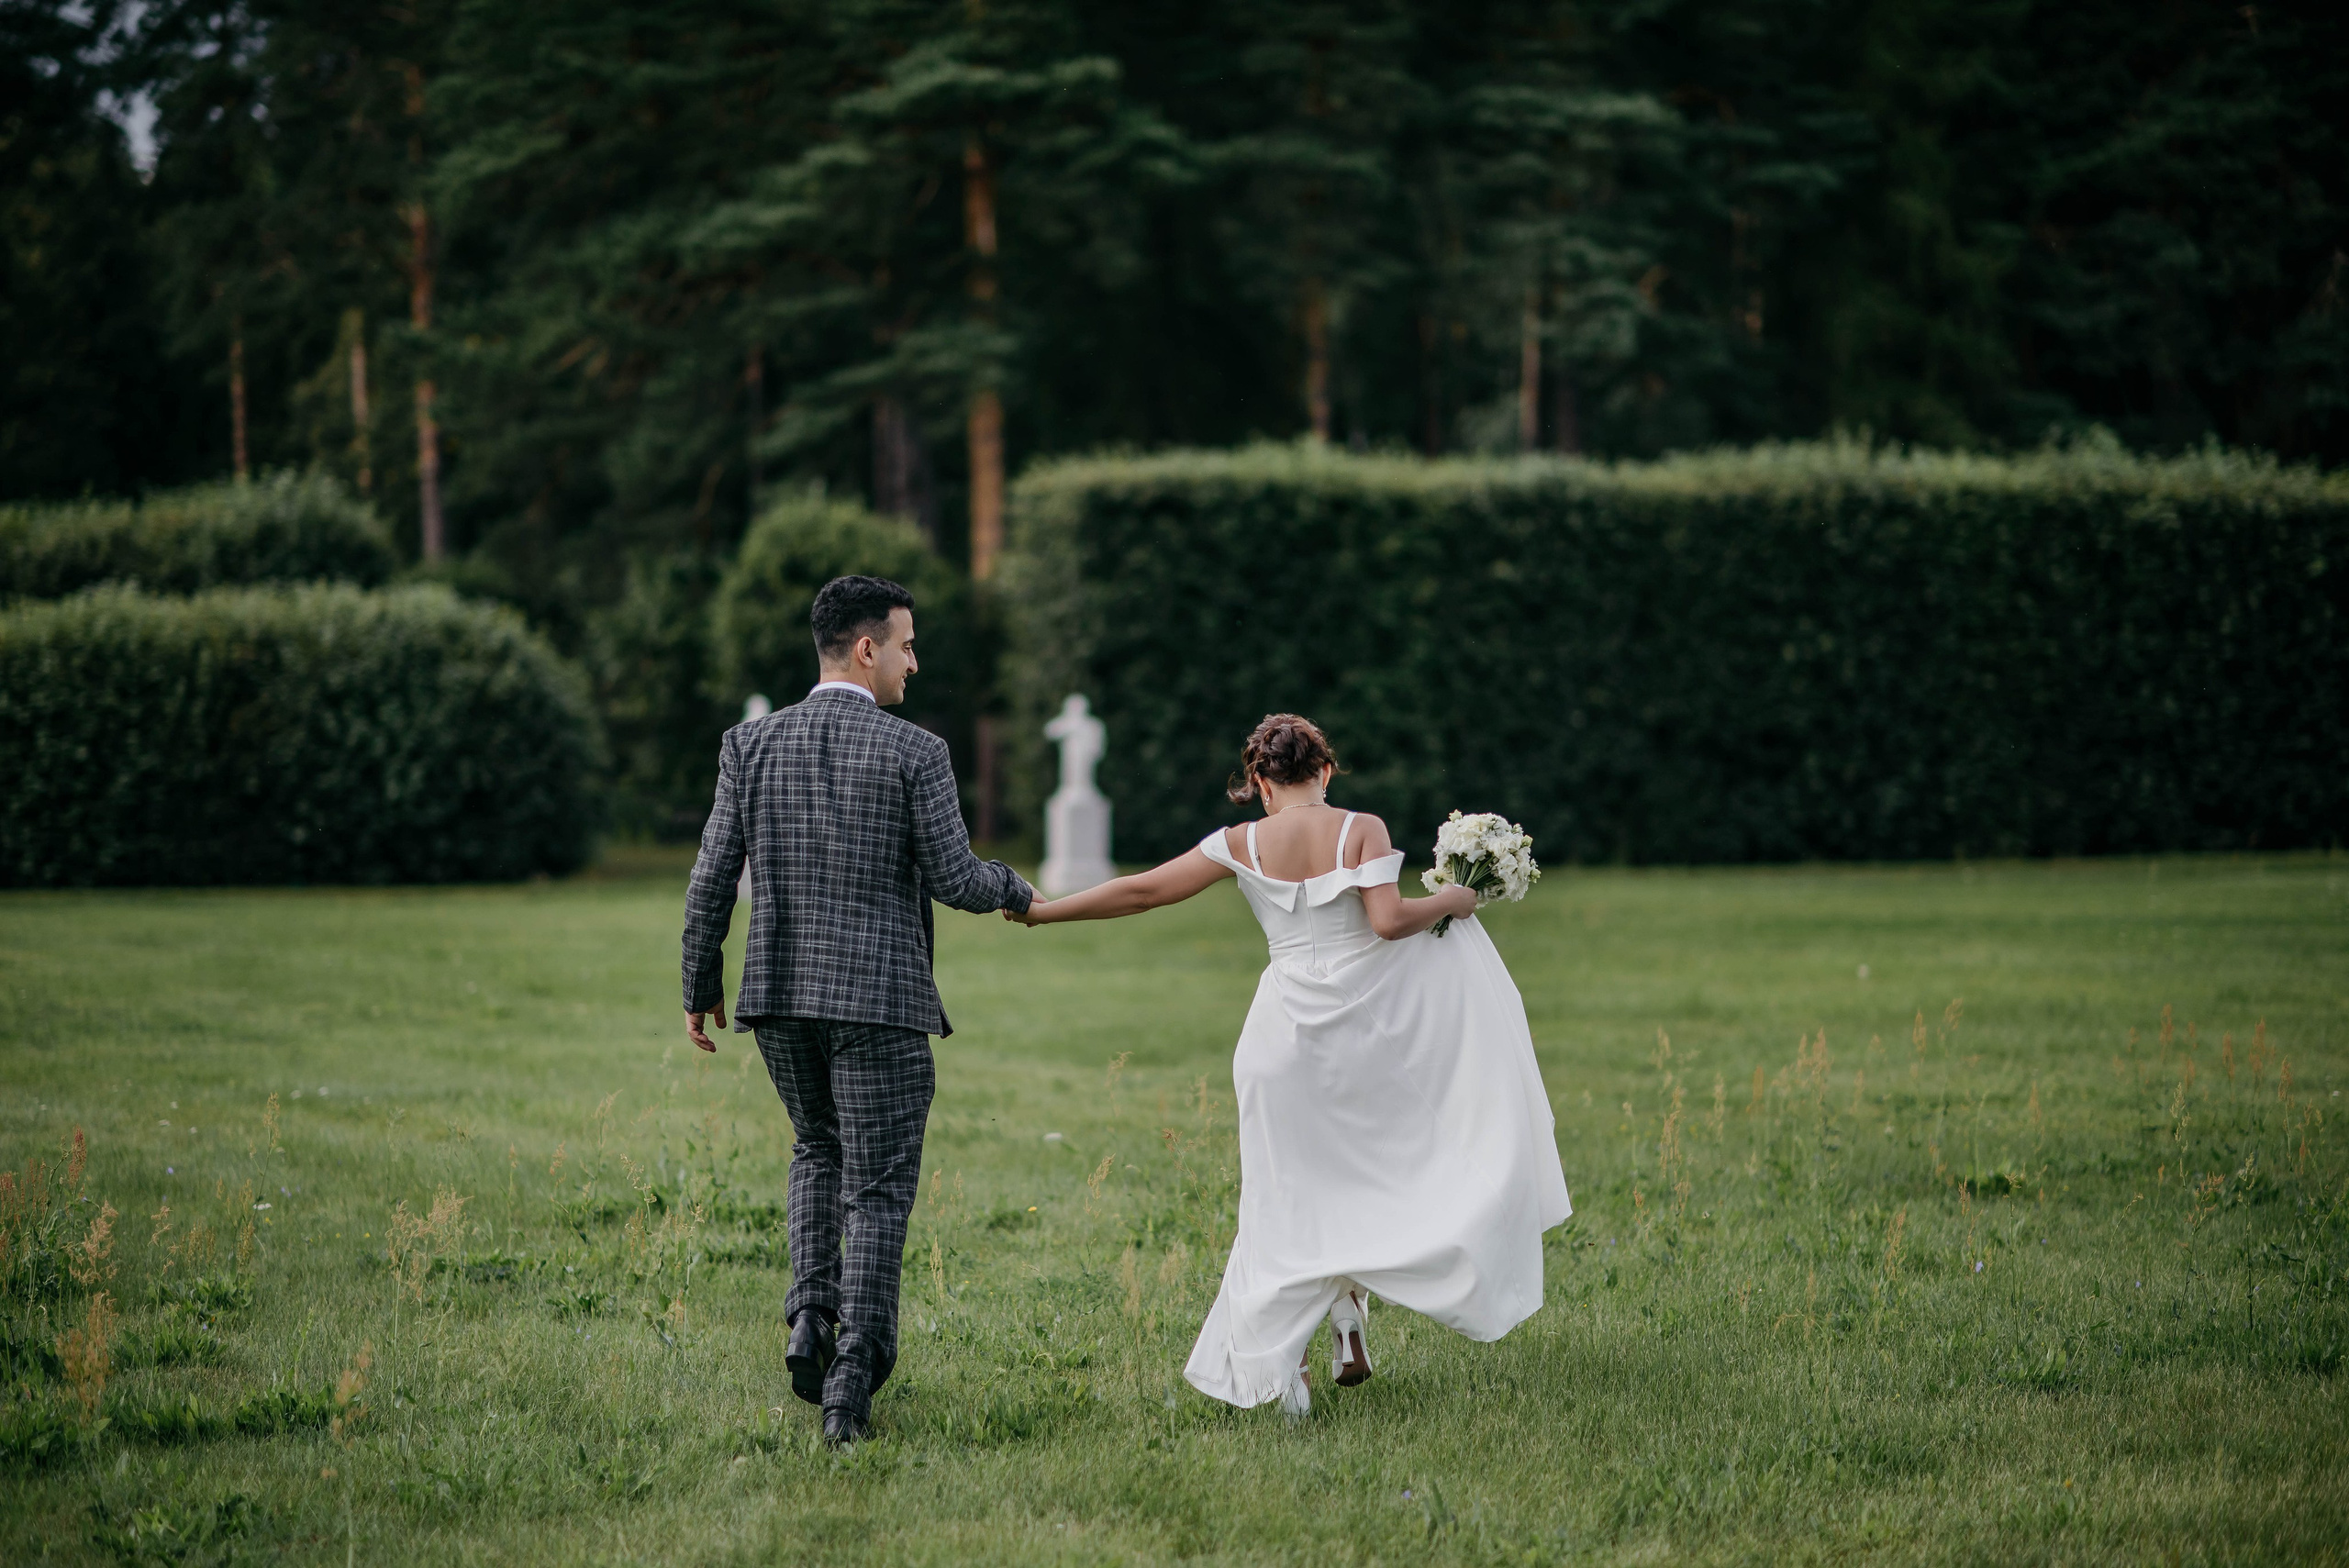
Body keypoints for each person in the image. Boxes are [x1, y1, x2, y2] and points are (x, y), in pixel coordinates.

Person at [1012, 713, 1572, 1416]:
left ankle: (1291, 1371)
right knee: (1362, 1179)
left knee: (1285, 1198)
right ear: (1326, 770)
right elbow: (1390, 922)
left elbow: (1145, 889)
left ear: (1260, 781)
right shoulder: (1359, 827)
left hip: (1279, 1041)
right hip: (1360, 1041)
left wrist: (1047, 911)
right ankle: (1348, 1317)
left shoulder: (1238, 841)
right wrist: (1457, 900)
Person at [681, 574, 1034, 1447]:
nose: (916, 662)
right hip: (880, 1001)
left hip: (781, 997)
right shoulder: (917, 752)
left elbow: (709, 880)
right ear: (867, 648)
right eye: (908, 645)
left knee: (815, 1149)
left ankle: (810, 1318)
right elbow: (956, 878)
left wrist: (700, 985)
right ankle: (852, 1379)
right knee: (876, 1190)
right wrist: (1015, 889)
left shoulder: (748, 744)